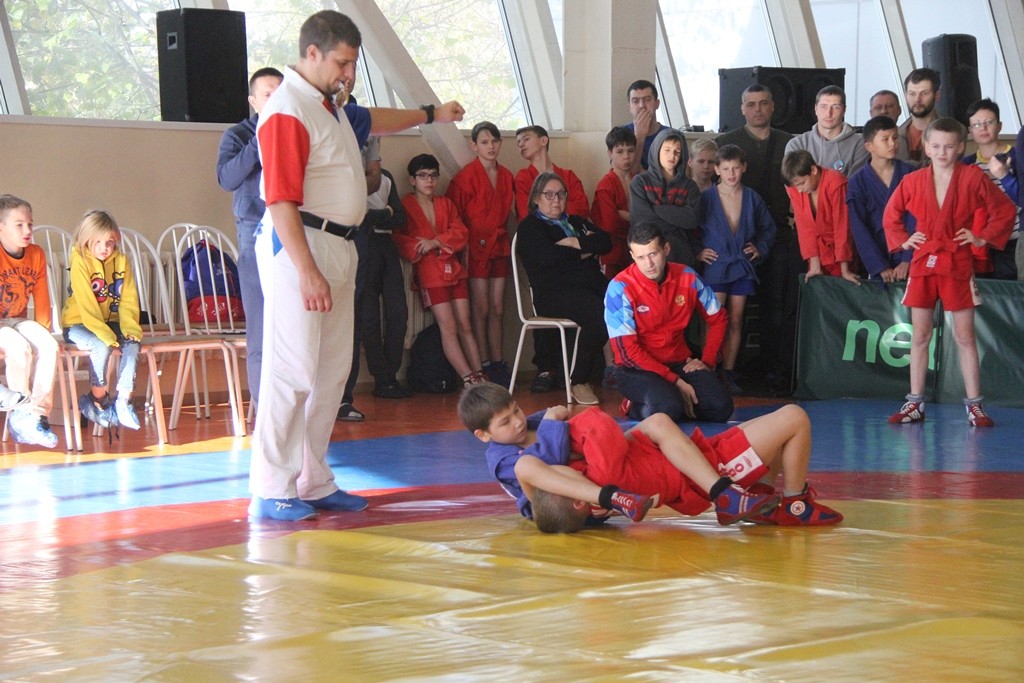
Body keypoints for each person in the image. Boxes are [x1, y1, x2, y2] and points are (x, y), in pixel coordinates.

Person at [249, 10, 465, 521]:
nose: (349, 74)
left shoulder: (330, 105)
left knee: (331, 371)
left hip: (342, 244)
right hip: (300, 245)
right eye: (342, 63)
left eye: (353, 64)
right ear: (312, 54)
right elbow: (280, 200)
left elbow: (374, 118)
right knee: (292, 370)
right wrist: (307, 270)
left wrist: (431, 113)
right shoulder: (287, 109)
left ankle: (313, 479)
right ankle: (271, 486)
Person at [461, 383, 841, 532]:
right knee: (794, 417)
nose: (516, 422)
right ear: (483, 435)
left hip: (608, 477)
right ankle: (789, 503)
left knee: (657, 422)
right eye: (505, 421)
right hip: (570, 504)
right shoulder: (508, 459)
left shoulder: (528, 426)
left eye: (516, 411)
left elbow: (579, 444)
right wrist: (554, 421)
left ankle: (754, 497)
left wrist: (557, 424)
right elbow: (549, 456)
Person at [883, 117, 1016, 427]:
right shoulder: (913, 180)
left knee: (965, 336)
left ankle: (975, 405)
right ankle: (915, 402)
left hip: (957, 260)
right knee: (920, 335)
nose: (942, 152)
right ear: (927, 148)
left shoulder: (973, 177)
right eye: (937, 146)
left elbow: (1004, 210)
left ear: (959, 148)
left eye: (949, 146)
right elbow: (891, 214)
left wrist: (981, 237)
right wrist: (904, 239)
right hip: (923, 260)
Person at [716, 84, 798, 393]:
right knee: (729, 311)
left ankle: (773, 369)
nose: (758, 109)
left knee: (774, 306)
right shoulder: (726, 143)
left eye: (764, 103)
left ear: (773, 106)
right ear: (742, 109)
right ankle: (728, 369)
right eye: (751, 104)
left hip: (777, 237)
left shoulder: (789, 143)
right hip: (733, 245)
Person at [606, 223, 733, 423]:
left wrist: (707, 361)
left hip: (679, 363)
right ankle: (635, 404)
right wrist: (676, 382)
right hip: (636, 369)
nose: (649, 264)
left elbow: (719, 318)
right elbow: (628, 352)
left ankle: (672, 402)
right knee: (667, 410)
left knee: (721, 408)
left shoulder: (688, 276)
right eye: (641, 257)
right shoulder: (619, 288)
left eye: (653, 254)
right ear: (632, 256)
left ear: (666, 249)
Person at [215, 66, 283, 407]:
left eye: (281, 93)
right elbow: (226, 178)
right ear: (253, 101)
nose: (276, 100)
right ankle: (262, 407)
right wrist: (260, 142)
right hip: (254, 232)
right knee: (260, 325)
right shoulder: (238, 135)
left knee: (292, 326)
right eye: (268, 95)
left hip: (295, 230)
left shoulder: (298, 132)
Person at [516, 172, 610, 405]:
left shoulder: (575, 222)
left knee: (624, 301)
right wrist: (585, 251)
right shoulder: (530, 227)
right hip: (552, 295)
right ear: (536, 198)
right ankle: (578, 380)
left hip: (588, 287)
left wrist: (574, 242)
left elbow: (606, 242)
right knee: (599, 313)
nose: (556, 199)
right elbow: (549, 258)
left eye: (561, 194)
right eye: (549, 194)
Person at [395, 153, 486, 388]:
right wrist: (420, 247)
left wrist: (435, 242)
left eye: (433, 176)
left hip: (453, 269)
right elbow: (399, 238)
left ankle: (479, 374)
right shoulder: (405, 206)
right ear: (412, 180)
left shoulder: (446, 203)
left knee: (465, 323)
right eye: (423, 176)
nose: (429, 181)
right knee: (449, 326)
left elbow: (461, 232)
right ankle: (468, 377)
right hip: (430, 273)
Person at [698, 144, 775, 395]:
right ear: (717, 170)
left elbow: (768, 228)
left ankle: (728, 372)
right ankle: (708, 369)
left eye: (735, 168)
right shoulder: (706, 198)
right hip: (717, 265)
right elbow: (690, 228)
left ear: (744, 168)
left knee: (736, 319)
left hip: (741, 266)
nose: (731, 174)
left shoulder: (752, 198)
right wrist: (698, 251)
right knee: (713, 319)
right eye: (726, 169)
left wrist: (760, 248)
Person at [61, 209, 143, 431]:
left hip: (108, 322)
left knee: (133, 343)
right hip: (78, 324)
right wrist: (106, 335)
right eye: (97, 242)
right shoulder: (79, 260)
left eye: (110, 242)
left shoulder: (122, 261)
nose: (104, 248)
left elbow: (128, 299)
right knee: (100, 346)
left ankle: (123, 401)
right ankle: (98, 400)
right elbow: (87, 305)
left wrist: (130, 329)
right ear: (86, 240)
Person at [447, 121, 515, 386]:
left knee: (498, 307)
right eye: (485, 142)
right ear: (474, 146)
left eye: (495, 141)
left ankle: (497, 362)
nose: (491, 147)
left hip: (499, 245)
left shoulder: (506, 176)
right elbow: (455, 217)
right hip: (475, 248)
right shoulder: (464, 178)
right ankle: (483, 363)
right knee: (481, 307)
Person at [0, 194, 59, 448]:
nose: (27, 231)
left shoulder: (36, 254)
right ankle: (21, 413)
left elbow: (42, 298)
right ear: (1, 227)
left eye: (30, 224)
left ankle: (38, 416)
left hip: (18, 319)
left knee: (49, 345)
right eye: (19, 225)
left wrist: (44, 332)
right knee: (19, 347)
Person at [846, 115, 915, 281]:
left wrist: (907, 259)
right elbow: (859, 227)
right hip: (877, 255)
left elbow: (917, 219)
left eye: (895, 138)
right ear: (869, 146)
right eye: (885, 139)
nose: (892, 144)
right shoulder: (857, 182)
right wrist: (879, 266)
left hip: (909, 254)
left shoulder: (911, 174)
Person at [782, 149, 860, 285]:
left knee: (840, 291)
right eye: (795, 186)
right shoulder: (795, 188)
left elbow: (842, 227)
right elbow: (804, 227)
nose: (799, 190)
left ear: (813, 170)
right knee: (816, 289)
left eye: (802, 183)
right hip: (817, 253)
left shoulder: (836, 183)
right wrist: (814, 263)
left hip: (841, 254)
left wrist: (845, 269)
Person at [962, 98, 1019, 280]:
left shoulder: (1017, 156)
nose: (983, 128)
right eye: (977, 124)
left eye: (989, 122)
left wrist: (1004, 175)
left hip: (1014, 239)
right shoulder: (966, 164)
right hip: (981, 241)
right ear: (970, 130)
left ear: (999, 126)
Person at [630, 128, 702, 268]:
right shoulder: (640, 182)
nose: (672, 155)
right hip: (648, 254)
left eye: (677, 151)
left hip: (682, 253)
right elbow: (641, 220)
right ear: (657, 150)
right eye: (667, 150)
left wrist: (656, 209)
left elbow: (692, 219)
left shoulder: (690, 186)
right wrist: (677, 223)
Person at [785, 85, 869, 177]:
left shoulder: (860, 145)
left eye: (836, 107)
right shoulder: (798, 144)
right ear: (816, 109)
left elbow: (855, 184)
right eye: (823, 107)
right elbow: (795, 183)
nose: (829, 113)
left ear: (844, 110)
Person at [513, 125, 589, 220]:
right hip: (538, 229)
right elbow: (525, 214)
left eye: (526, 139)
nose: (521, 144)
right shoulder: (523, 178)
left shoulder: (568, 175)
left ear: (544, 140)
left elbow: (582, 209)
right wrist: (561, 205)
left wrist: (545, 207)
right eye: (518, 142)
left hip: (571, 227)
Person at [589, 126, 636, 279]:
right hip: (613, 253)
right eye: (620, 152)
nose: (626, 157)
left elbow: (650, 216)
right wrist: (635, 220)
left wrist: (627, 216)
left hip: (637, 251)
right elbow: (610, 224)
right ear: (610, 153)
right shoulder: (606, 185)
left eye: (630, 151)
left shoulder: (639, 180)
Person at [624, 79, 678, 174]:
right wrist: (639, 138)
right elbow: (627, 174)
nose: (642, 105)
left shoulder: (672, 135)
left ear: (657, 104)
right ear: (629, 107)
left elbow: (678, 174)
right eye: (635, 101)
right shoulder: (621, 134)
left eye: (647, 100)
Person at [897, 68, 941, 163]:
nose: (917, 99)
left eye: (924, 93)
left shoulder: (952, 132)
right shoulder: (895, 135)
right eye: (912, 94)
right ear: (905, 96)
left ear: (937, 95)